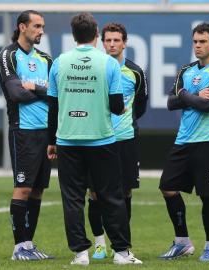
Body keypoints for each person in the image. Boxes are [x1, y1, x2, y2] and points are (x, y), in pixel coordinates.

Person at [47, 13, 142, 266]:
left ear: (73, 34)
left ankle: (80, 254)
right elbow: (116, 106)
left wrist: (50, 140)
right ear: (97, 34)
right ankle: (121, 253)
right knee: (112, 196)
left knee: (73, 199)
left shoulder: (59, 62)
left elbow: (53, 106)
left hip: (67, 140)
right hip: (101, 140)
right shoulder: (109, 63)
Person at [158, 22, 209, 262]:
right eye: (195, 42)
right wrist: (193, 96)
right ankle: (182, 242)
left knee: (207, 195)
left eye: (202, 42)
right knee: (167, 187)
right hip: (184, 140)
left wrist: (184, 96)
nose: (198, 46)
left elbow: (208, 105)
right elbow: (170, 102)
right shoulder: (186, 70)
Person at [87, 22, 148, 260]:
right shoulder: (96, 68)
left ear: (125, 42)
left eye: (116, 40)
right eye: (108, 40)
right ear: (102, 42)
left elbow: (140, 106)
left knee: (125, 193)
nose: (112, 44)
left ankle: (120, 245)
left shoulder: (135, 72)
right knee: (94, 193)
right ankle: (99, 242)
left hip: (125, 140)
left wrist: (125, 122)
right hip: (98, 139)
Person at [0, 10, 54, 261]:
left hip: (45, 131)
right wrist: (44, 92)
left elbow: (56, 96)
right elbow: (16, 94)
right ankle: (19, 247)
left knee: (38, 190)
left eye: (42, 26)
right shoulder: (8, 55)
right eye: (37, 26)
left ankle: (29, 245)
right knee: (23, 188)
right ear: (22, 27)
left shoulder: (46, 59)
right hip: (23, 131)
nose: (41, 31)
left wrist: (35, 87)